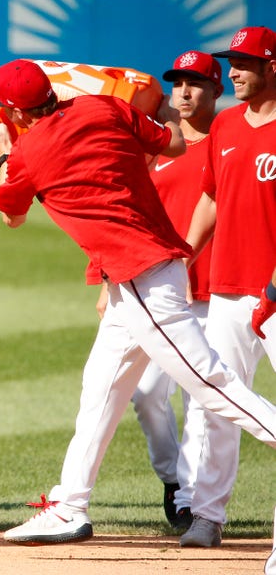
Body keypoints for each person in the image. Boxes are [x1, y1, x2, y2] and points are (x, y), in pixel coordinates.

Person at [0, 58, 276, 545]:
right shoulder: (102, 106)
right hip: (139, 275)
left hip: (143, 278)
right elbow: (175, 142)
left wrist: (2, 156)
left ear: (15, 113)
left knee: (211, 383)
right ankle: (69, 506)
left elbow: (11, 216)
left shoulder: (27, 154)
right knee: (100, 386)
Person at [96, 51, 222, 531]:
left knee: (199, 397)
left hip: (211, 286)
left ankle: (190, 499)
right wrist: (107, 278)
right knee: (147, 394)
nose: (184, 93)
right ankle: (173, 478)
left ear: (215, 90)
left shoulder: (226, 139)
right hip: (148, 282)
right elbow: (118, 210)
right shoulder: (155, 145)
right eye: (178, 85)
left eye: (195, 84)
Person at [179, 25, 276, 548]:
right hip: (227, 290)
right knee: (220, 401)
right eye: (231, 61)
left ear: (273, 68)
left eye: (245, 62)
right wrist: (181, 256)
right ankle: (208, 515)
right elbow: (211, 199)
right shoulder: (226, 124)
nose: (233, 70)